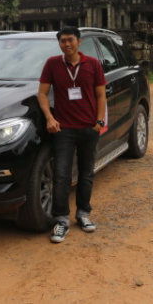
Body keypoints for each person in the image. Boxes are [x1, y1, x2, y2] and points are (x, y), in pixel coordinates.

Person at [38, 26, 107, 243]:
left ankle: (83, 214)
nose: (67, 44)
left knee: (87, 173)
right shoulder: (52, 64)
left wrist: (99, 122)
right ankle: (61, 220)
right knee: (61, 175)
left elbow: (101, 96)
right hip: (64, 129)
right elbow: (41, 94)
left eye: (70, 40)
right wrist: (50, 118)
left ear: (79, 41)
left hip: (88, 128)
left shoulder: (93, 64)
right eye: (62, 41)